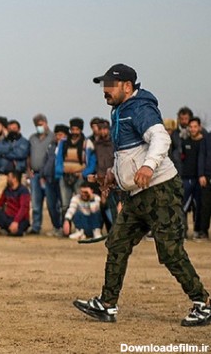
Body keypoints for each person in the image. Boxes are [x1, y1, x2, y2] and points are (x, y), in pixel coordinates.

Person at [73, 63, 211, 327]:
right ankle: (107, 304)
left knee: (170, 252)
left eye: (110, 85)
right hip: (137, 195)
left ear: (127, 86)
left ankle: (203, 303)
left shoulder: (140, 108)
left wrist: (148, 167)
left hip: (160, 191)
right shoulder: (119, 111)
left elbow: (161, 139)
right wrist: (114, 174)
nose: (105, 91)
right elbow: (128, 153)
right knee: (117, 243)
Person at [27, 113, 55, 234]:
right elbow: (28, 155)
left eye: (41, 124)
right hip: (35, 174)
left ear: (46, 123)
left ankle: (56, 226)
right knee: (35, 203)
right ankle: (36, 226)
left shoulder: (53, 137)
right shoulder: (32, 138)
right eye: (37, 125)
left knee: (51, 203)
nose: (39, 127)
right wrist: (29, 171)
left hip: (48, 176)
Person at [0, 119, 30, 204]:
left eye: (14, 128)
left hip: (19, 174)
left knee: (22, 201)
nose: (12, 130)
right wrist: (12, 150)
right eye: (10, 129)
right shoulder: (0, 142)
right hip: (3, 174)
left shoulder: (24, 142)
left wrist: (5, 155)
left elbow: (21, 154)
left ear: (19, 129)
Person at [41, 124, 68, 237]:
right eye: (57, 134)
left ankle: (64, 227)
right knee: (51, 204)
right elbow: (45, 160)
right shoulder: (51, 146)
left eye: (61, 134)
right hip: (49, 178)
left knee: (63, 204)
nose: (58, 137)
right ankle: (56, 226)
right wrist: (43, 174)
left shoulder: (67, 146)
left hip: (62, 179)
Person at [0, 170, 31, 236]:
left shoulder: (23, 191)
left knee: (16, 232)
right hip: (8, 217)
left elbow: (23, 208)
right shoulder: (7, 190)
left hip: (21, 219)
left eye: (9, 177)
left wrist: (16, 221)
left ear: (14, 179)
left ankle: (13, 230)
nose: (7, 179)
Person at [181, 117, 204, 239]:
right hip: (186, 178)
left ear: (199, 127)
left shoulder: (204, 142)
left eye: (195, 126)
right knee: (183, 206)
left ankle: (198, 231)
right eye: (191, 127)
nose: (193, 129)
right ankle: (183, 232)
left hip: (200, 179)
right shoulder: (185, 142)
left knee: (198, 206)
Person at [199, 127, 211, 241]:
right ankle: (204, 232)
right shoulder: (206, 138)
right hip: (207, 177)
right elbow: (202, 156)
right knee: (205, 206)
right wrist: (201, 174)